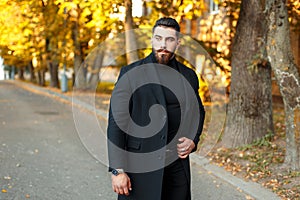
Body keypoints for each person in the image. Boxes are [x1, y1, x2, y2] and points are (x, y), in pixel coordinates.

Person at [107, 17, 205, 200]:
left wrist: (193, 139)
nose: (163, 45)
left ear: (178, 42)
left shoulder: (189, 76)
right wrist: (117, 170)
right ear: (152, 39)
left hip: (177, 168)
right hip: (139, 167)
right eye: (159, 38)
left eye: (169, 40)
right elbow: (116, 124)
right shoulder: (130, 74)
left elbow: (198, 112)